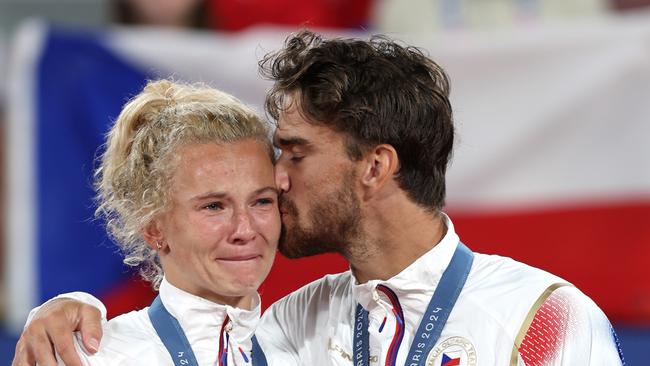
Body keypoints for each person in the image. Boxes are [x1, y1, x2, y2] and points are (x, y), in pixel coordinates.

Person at [13, 31, 625, 366]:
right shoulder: (291, 327)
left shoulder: (539, 320)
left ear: (375, 167)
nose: (278, 181)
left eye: (296, 154)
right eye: (214, 205)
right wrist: (67, 310)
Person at [17, 79, 280, 365]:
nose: (245, 229)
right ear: (154, 227)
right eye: (213, 206)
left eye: (262, 201)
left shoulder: (306, 338)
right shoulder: (94, 357)